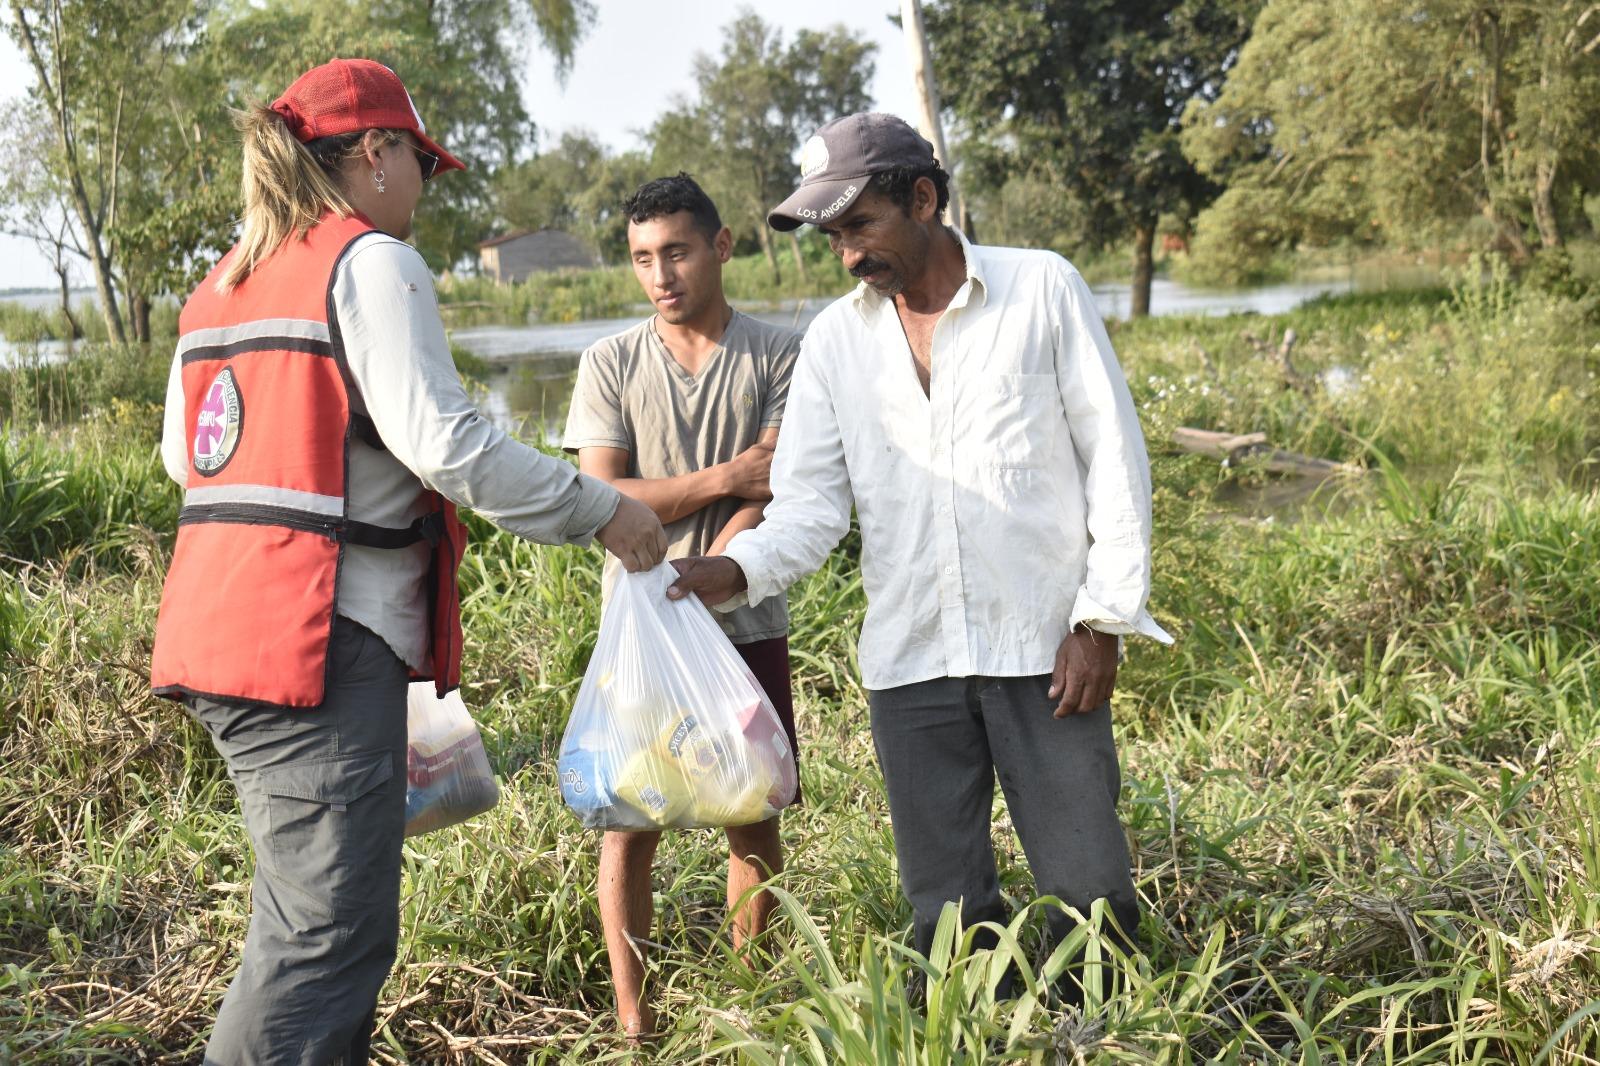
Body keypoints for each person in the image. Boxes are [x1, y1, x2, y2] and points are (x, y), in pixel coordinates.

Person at [149, 58, 665, 1062]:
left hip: (224, 632)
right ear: (377, 154)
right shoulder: (367, 262)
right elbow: (450, 445)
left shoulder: (226, 278)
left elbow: (186, 455)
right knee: (324, 938)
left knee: (311, 921)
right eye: (423, 161)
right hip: (313, 642)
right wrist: (603, 508)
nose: (427, 186)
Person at [667, 113, 1172, 999]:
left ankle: (1103, 1041)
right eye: (833, 237)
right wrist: (734, 569)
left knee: (1091, 897)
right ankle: (988, 1042)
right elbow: (811, 507)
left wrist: (1100, 620)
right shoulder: (835, 342)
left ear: (926, 198)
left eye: (861, 225)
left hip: (1043, 649)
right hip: (913, 666)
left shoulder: (1041, 290)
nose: (848, 254)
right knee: (946, 914)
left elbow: (1117, 468)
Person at [563, 173, 803, 1040]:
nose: (660, 274)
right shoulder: (611, 363)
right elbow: (601, 494)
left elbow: (777, 484)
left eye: (677, 251)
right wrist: (720, 478)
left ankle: (754, 1003)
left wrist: (718, 559)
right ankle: (635, 1021)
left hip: (744, 613)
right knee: (631, 819)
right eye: (641, 258)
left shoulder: (780, 355)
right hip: (641, 626)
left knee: (752, 810)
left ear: (722, 245)